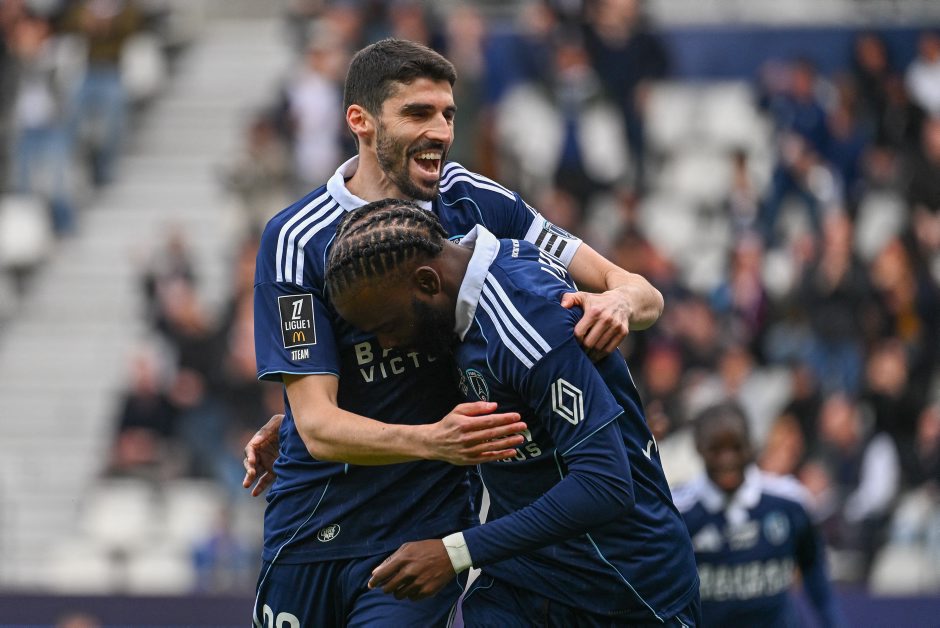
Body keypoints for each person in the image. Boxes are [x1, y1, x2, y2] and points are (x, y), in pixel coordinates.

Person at [247, 38, 665, 627]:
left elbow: (642, 292)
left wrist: (618, 300)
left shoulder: (476, 201)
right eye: (417, 113)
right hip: (310, 524)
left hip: (424, 530)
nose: (441, 132)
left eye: (448, 114)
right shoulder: (295, 238)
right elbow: (318, 424)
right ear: (360, 121)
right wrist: (420, 436)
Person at [326, 199, 699, 626]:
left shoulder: (526, 322)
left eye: (387, 327)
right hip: (524, 580)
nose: (388, 344)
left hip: (625, 587)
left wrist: (455, 552)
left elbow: (606, 484)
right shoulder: (454, 288)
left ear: (428, 283)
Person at [673, 402, 843, 628]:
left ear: (750, 444)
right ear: (699, 447)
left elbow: (816, 577)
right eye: (716, 449)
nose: (727, 459)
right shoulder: (677, 511)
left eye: (736, 447)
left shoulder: (790, 502)